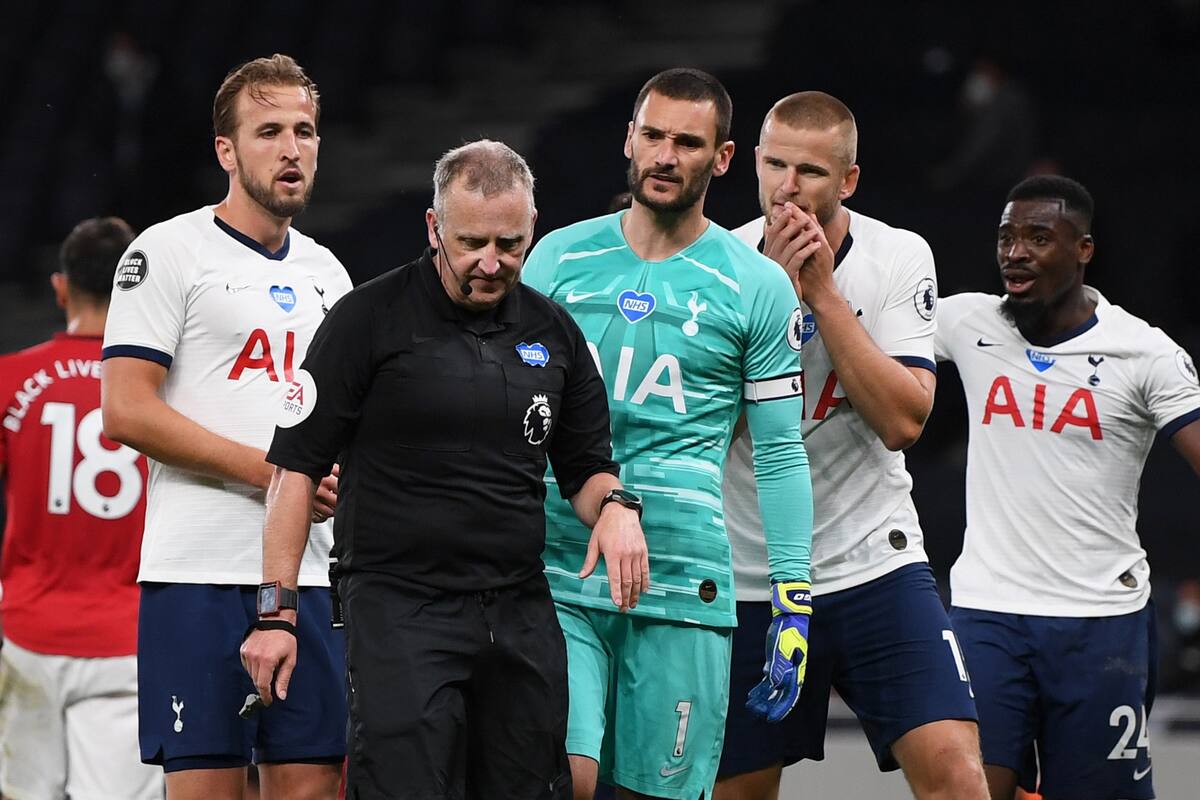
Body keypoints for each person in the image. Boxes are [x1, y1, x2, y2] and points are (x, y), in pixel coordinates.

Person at [241, 139, 644, 799]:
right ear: (434, 228)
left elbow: (587, 471)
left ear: (531, 231)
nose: (491, 263)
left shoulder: (557, 333)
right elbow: (294, 472)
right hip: (401, 608)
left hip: (518, 610)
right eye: (472, 243)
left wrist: (619, 508)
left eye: (510, 245)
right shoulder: (365, 322)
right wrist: (275, 614)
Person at [523, 68, 814, 800]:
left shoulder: (757, 285)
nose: (664, 155)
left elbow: (779, 451)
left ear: (720, 159)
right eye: (652, 135)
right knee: (563, 779)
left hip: (685, 580)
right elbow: (508, 416)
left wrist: (793, 599)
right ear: (629, 138)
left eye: (687, 143)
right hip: (559, 568)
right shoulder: (557, 260)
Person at [717, 91, 988, 800]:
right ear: (751, 161)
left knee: (960, 777)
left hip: (875, 559)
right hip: (752, 573)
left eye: (809, 170)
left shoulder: (899, 255)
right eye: (773, 164)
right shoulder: (718, 265)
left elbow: (903, 421)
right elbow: (716, 434)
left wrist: (824, 297)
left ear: (848, 181)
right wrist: (772, 295)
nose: (787, 188)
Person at [100, 54, 352, 800]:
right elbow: (128, 408)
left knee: (310, 785)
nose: (291, 149)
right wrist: (274, 473)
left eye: (304, 131)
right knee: (207, 789)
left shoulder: (328, 273)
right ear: (226, 150)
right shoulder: (166, 251)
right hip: (198, 571)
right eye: (268, 131)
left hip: (310, 573)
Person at [934, 175, 1200, 800]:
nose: (1014, 251)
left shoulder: (1144, 353)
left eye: (1037, 237)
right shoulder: (967, 321)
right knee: (967, 787)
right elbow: (870, 323)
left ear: (1083, 250)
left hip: (1099, 623)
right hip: (987, 609)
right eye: (1005, 237)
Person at [0, 217, 161, 800]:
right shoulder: (164, 393)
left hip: (28, 633)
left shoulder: (9, 379)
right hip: (127, 638)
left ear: (60, 288)